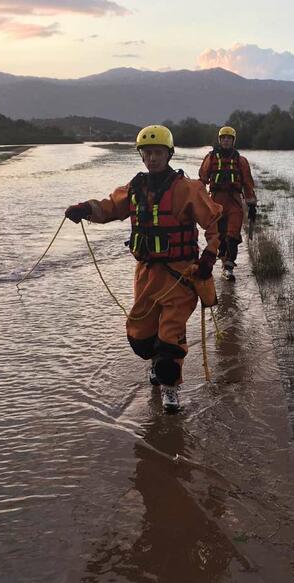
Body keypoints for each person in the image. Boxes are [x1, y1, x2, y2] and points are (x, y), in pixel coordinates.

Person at [65, 125, 223, 413]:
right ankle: (156, 363)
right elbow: (110, 207)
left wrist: (210, 256)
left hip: (181, 275)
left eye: (158, 153)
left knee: (170, 337)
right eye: (147, 153)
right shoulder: (135, 188)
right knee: (140, 337)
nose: (152, 158)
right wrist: (85, 209)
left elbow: (214, 223)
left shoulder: (188, 189)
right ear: (141, 156)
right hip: (147, 275)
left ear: (169, 154)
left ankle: (170, 387)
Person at [198, 126, 258, 281]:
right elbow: (202, 181)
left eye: (229, 138)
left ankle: (229, 267)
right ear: (220, 140)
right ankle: (222, 260)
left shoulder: (241, 161)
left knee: (232, 235)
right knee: (218, 236)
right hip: (215, 201)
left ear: (233, 141)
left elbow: (247, 184)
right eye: (223, 138)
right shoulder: (211, 158)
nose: (226, 140)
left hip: (234, 202)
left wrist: (251, 205)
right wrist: (197, 201)